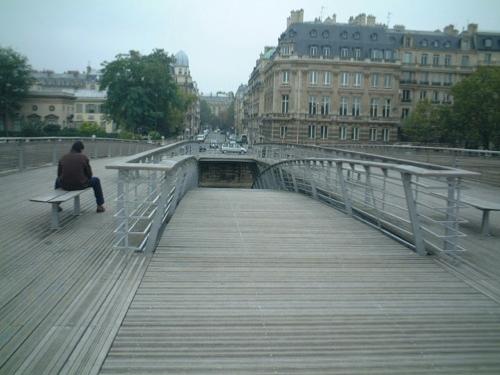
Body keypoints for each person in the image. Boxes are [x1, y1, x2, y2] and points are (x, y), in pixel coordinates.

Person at [55, 141, 105, 213]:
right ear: (81, 149)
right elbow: (90, 175)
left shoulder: (63, 157)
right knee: (96, 180)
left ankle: (57, 204)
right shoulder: (83, 157)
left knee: (57, 180)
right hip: (80, 185)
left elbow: (59, 175)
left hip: (65, 186)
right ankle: (100, 206)